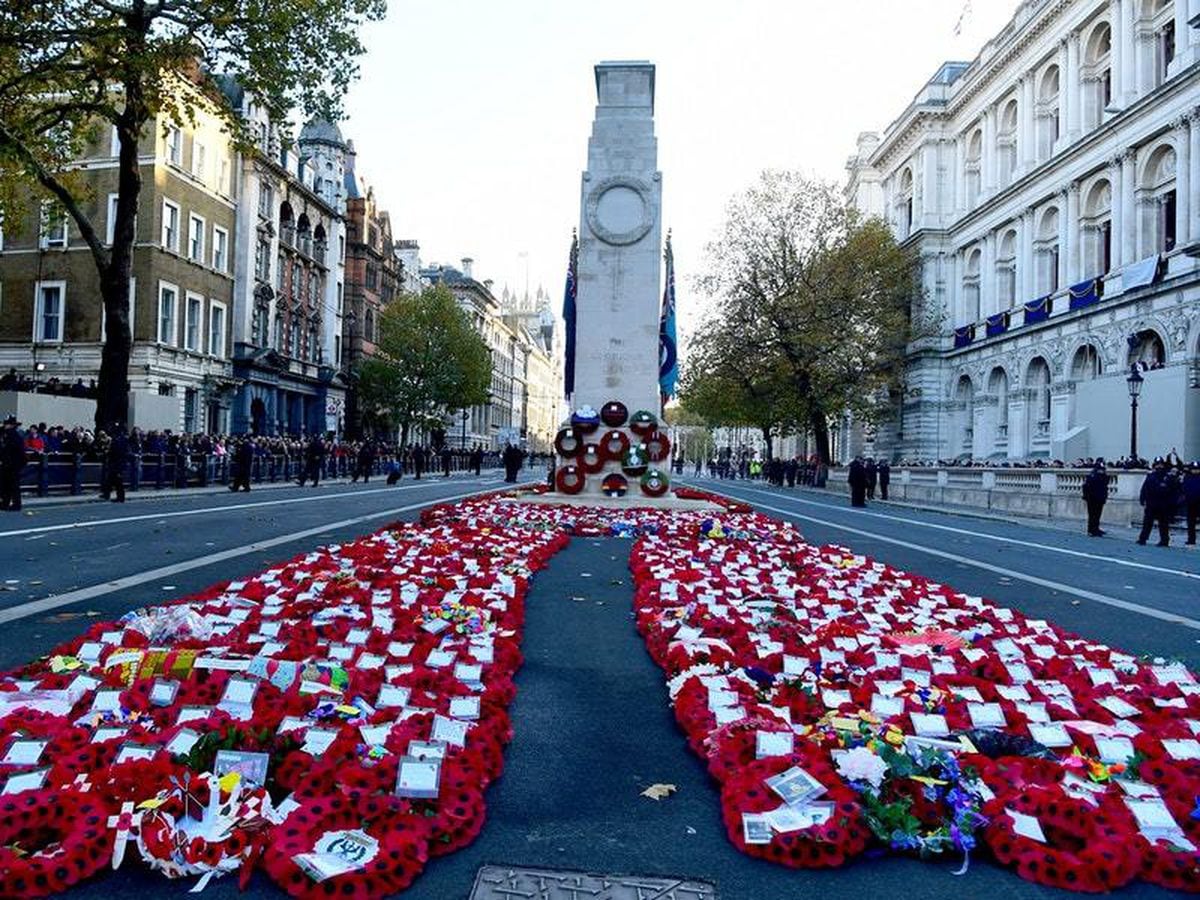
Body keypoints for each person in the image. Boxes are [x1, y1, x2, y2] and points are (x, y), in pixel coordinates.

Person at [1136, 456, 1180, 547]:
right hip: (1151, 503)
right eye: (1157, 465)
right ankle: (1143, 539)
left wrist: (1172, 503)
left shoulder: (1168, 477)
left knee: (1163, 524)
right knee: (1147, 522)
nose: (1159, 466)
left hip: (1164, 503)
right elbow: (1145, 488)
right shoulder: (1151, 476)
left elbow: (1174, 491)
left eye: (1160, 465)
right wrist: (1142, 499)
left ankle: (1164, 540)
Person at [0, 416, 27, 511]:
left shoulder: (12, 436)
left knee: (11, 485)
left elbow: (10, 450)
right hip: (10, 463)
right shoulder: (10, 435)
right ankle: (6, 503)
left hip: (12, 464)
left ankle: (14, 504)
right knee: (7, 484)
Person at [1081, 459, 1109, 537]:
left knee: (1097, 515)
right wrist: (1086, 496)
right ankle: (1091, 530)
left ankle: (1095, 529)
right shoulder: (1093, 476)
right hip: (1093, 498)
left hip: (1099, 498)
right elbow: (1086, 487)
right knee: (1093, 515)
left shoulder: (1100, 476)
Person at [101, 423, 128, 502]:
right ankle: (108, 494)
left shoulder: (117, 440)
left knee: (117, 481)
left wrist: (108, 453)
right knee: (111, 480)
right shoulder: (122, 439)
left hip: (116, 463)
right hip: (118, 463)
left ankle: (119, 497)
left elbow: (116, 452)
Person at [1183, 460, 1200, 546]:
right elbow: (1184, 489)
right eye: (1194, 469)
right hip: (1190, 503)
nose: (1195, 471)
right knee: (1191, 523)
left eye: (1197, 469)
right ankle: (1191, 539)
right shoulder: (1187, 477)